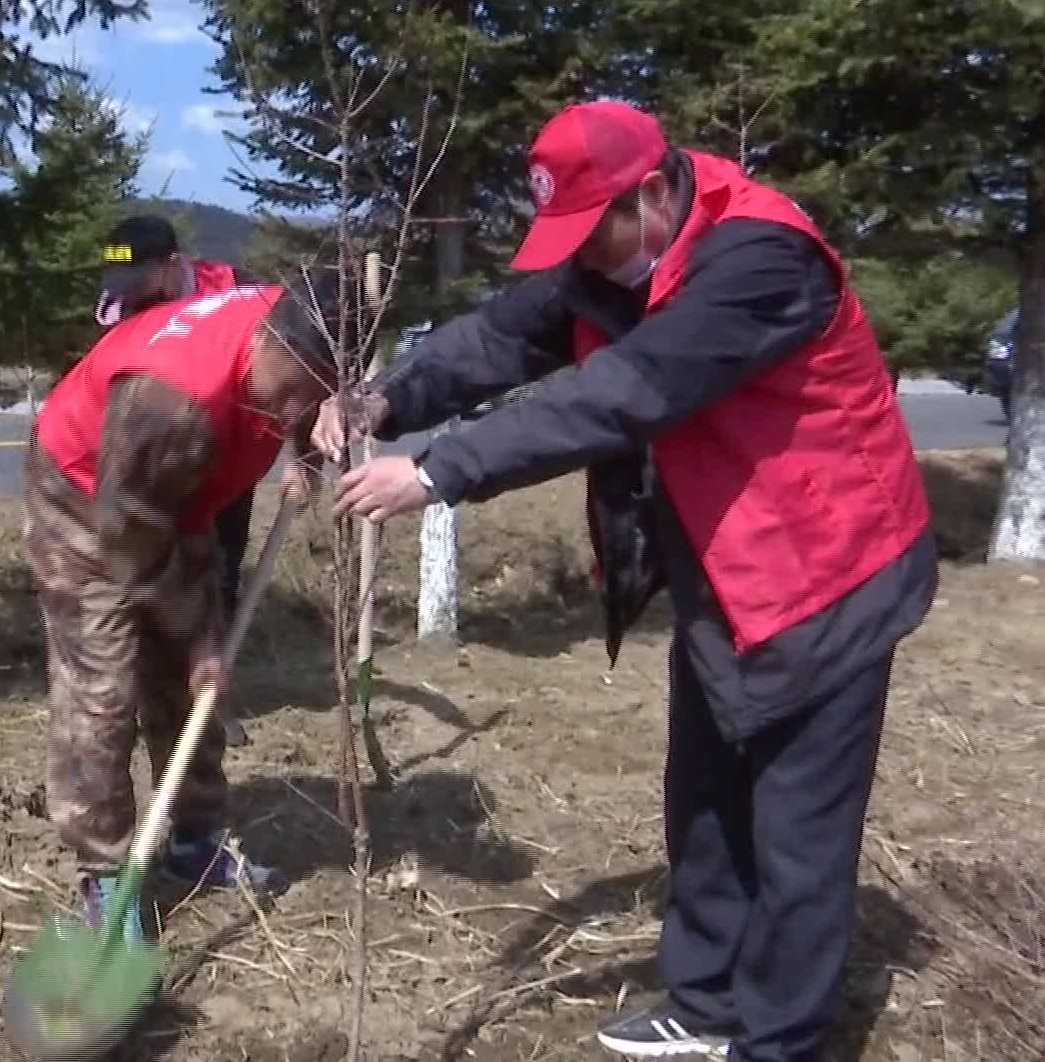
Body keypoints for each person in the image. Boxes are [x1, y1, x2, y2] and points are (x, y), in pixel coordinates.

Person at [319, 100, 937, 1061]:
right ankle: (704, 1002)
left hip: (829, 568)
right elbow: (497, 338)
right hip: (726, 572)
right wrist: (387, 396)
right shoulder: (607, 263)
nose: (582, 260)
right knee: (703, 796)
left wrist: (442, 469)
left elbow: (625, 391)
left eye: (592, 230)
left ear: (652, 192)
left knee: (796, 835)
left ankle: (781, 1040)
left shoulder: (761, 261)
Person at [26, 283, 333, 936]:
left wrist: (306, 450)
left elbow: (314, 394)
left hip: (178, 493)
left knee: (196, 679)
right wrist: (194, 633)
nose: (292, 411)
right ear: (265, 342)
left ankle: (195, 842)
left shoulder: (309, 315)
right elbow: (131, 535)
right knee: (103, 684)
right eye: (287, 397)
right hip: (88, 497)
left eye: (312, 397)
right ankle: (108, 874)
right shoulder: (170, 403)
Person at [95, 213, 268, 624]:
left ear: (174, 265)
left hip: (230, 437)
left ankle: (214, 647)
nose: (128, 290)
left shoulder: (238, 289)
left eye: (138, 277)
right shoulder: (119, 306)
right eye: (118, 276)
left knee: (222, 547)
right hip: (159, 443)